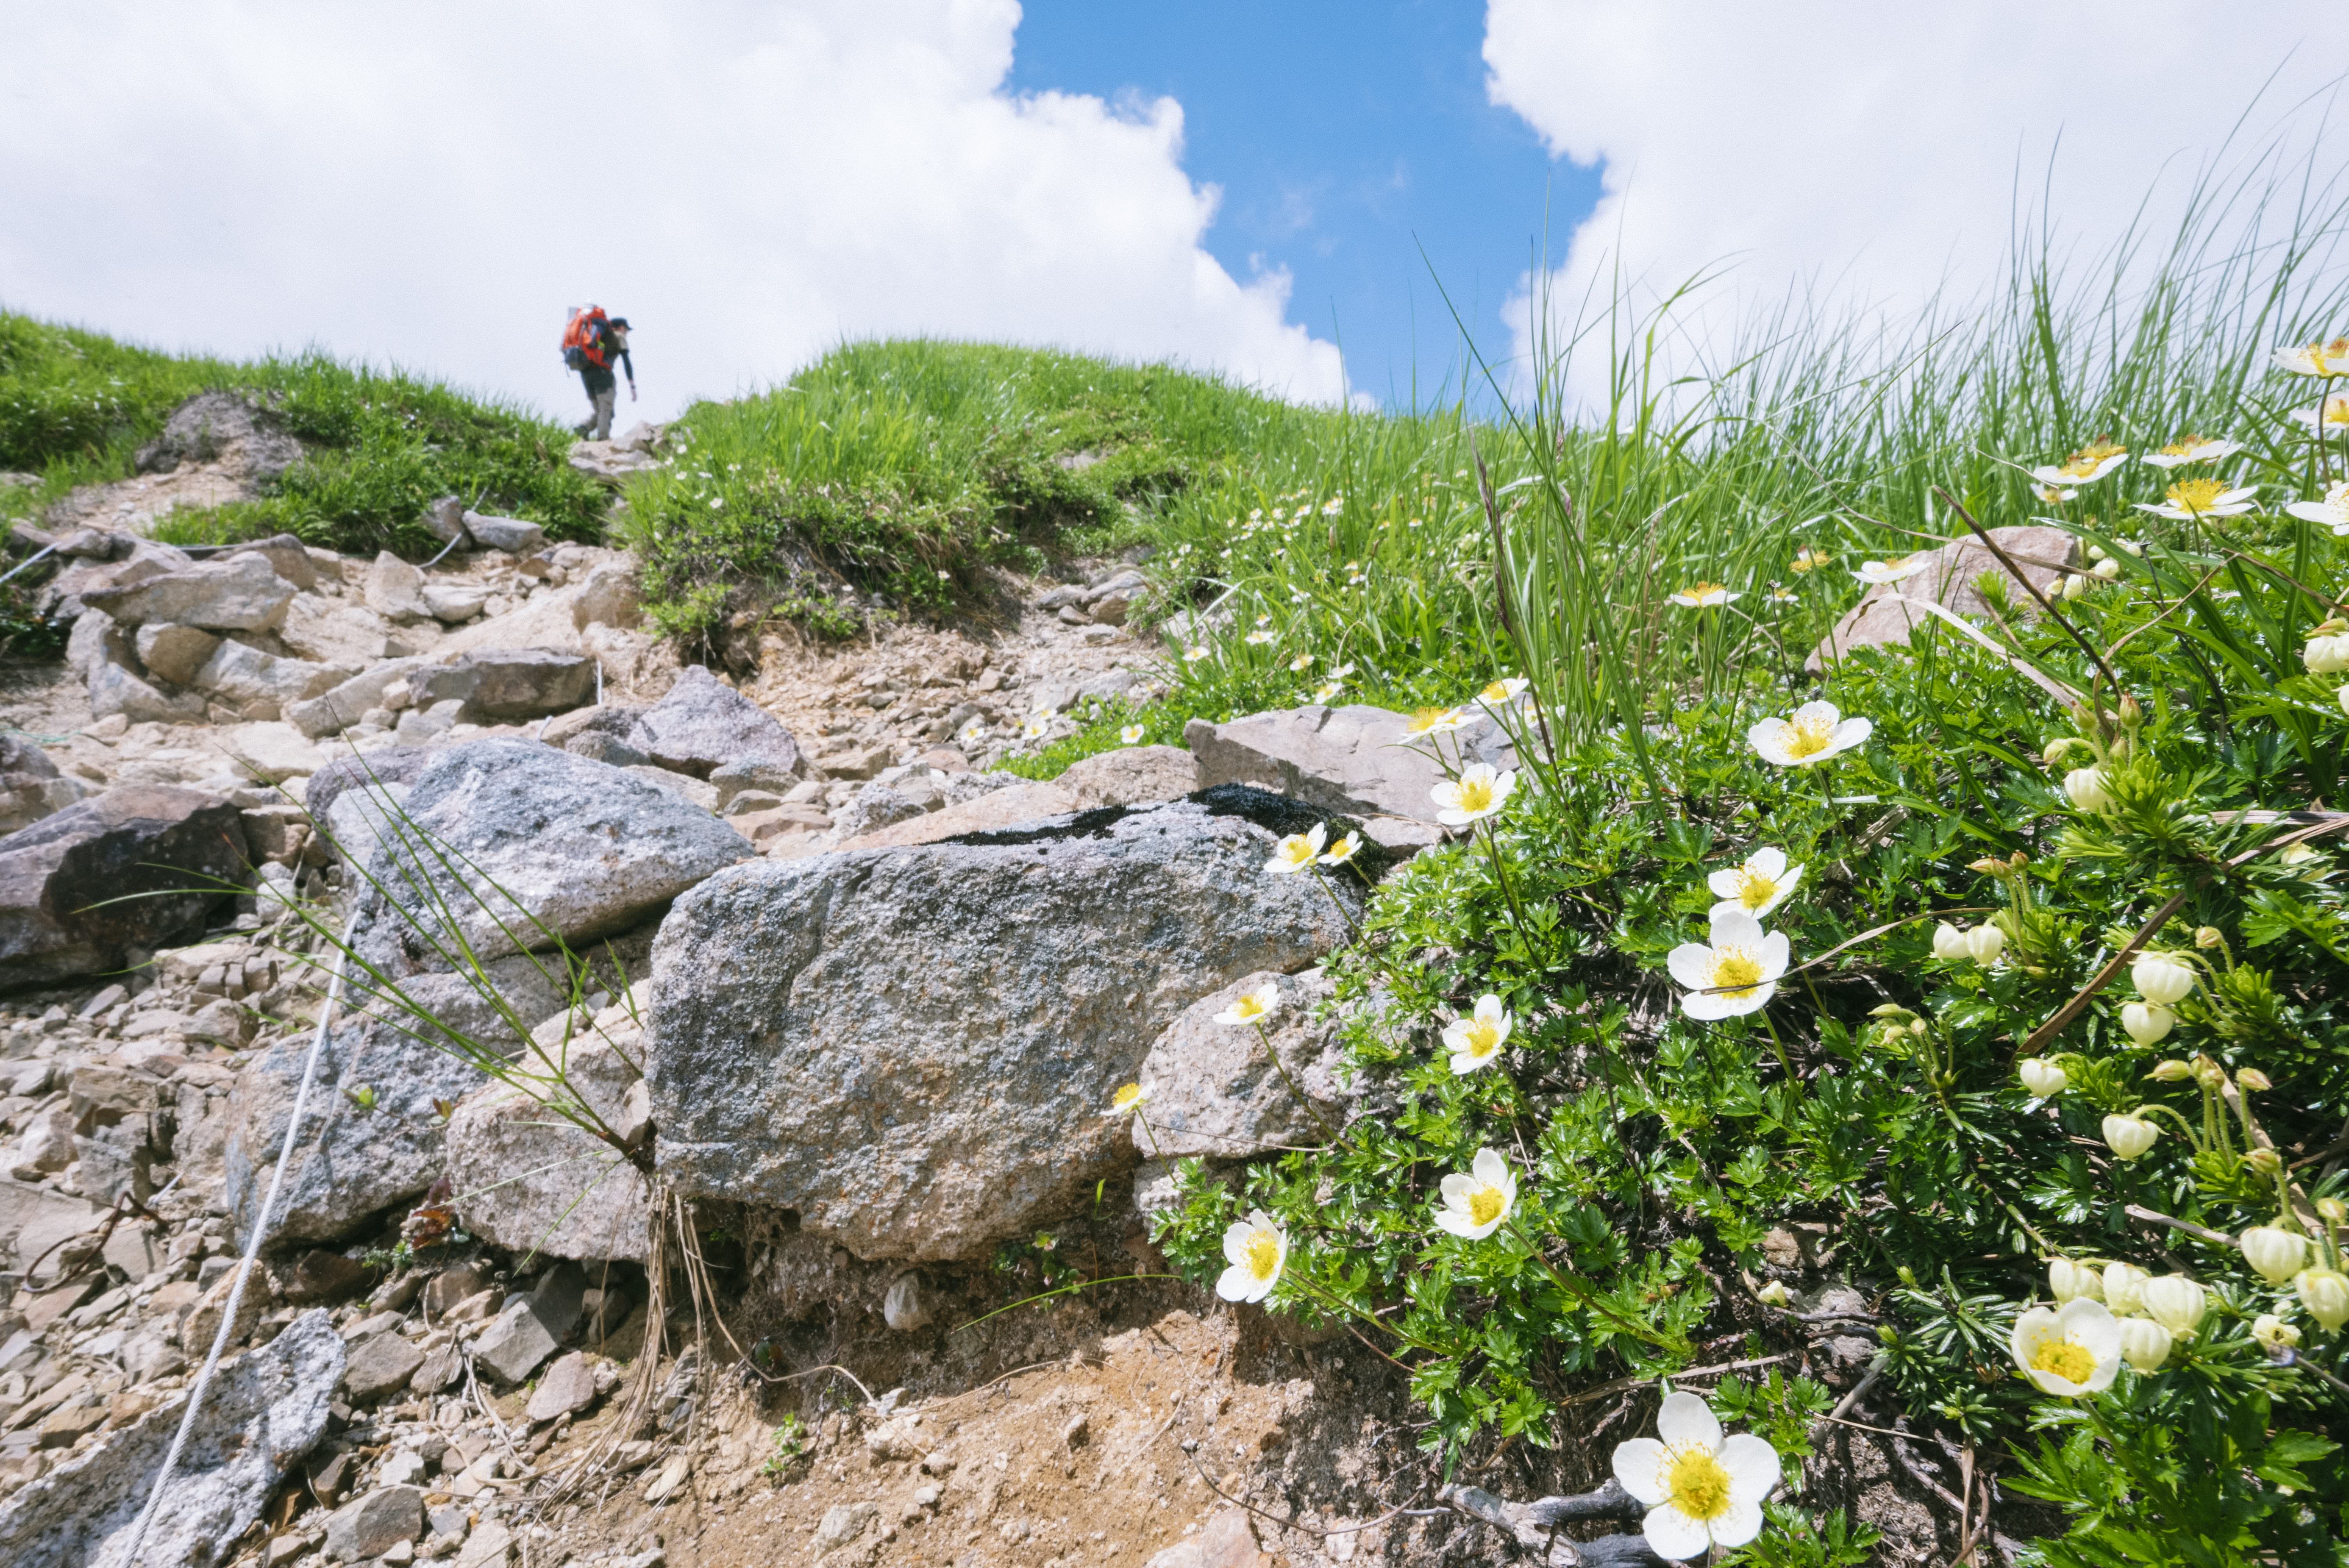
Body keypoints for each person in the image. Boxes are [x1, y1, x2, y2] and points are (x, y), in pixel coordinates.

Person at [561, 305, 635, 440]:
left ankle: (583, 428)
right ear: (622, 328)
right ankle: (603, 439)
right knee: (606, 409)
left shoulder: (598, 337)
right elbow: (626, 360)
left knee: (602, 411)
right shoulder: (619, 336)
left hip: (586, 373)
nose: (627, 333)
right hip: (603, 375)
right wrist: (632, 385)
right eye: (627, 330)